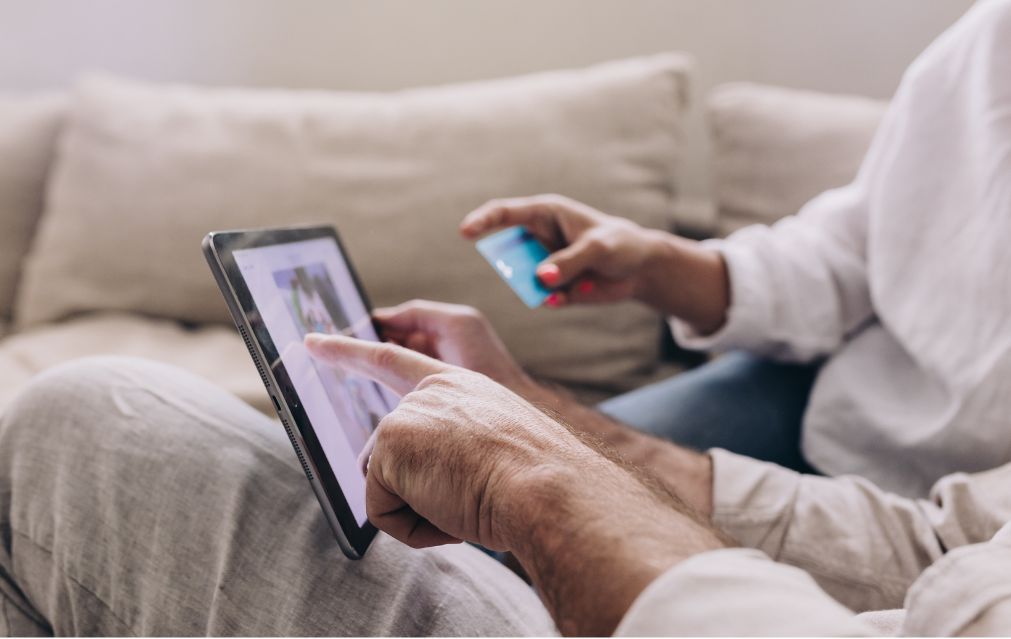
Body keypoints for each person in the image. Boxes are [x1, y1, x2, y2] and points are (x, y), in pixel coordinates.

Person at [2, 0, 1010, 635]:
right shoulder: (979, 46)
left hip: (915, 493)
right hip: (848, 425)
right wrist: (653, 284)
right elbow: (933, 533)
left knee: (77, 419)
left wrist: (538, 481)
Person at [458, 0, 1011, 498]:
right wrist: (653, 264)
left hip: (966, 517)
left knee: (543, 483)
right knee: (485, 478)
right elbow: (845, 257)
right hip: (831, 405)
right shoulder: (992, 37)